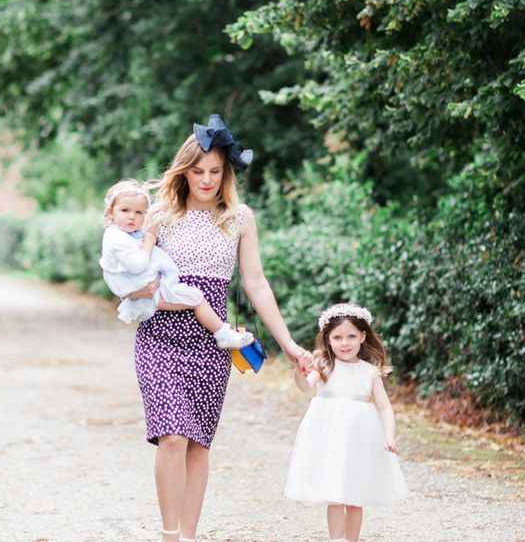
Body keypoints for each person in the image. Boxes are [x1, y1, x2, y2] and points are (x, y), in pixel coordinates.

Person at [129, 114, 309, 542]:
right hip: (159, 336)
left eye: (215, 171)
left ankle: (189, 536)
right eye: (197, 171)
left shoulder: (240, 218)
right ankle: (170, 535)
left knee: (196, 444)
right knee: (171, 436)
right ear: (183, 171)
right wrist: (151, 291)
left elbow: (256, 283)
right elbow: (134, 277)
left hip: (212, 343)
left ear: (226, 173)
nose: (206, 180)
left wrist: (288, 344)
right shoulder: (158, 216)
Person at [285, 303, 408, 542]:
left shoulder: (369, 371)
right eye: (338, 337)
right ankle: (336, 539)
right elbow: (304, 387)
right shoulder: (324, 365)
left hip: (359, 437)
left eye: (351, 336)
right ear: (328, 339)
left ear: (363, 336)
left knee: (355, 494)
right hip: (329, 436)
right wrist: (298, 371)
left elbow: (384, 407)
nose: (345, 343)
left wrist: (389, 436)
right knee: (334, 492)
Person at [100, 178, 254, 349]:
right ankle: (223, 334)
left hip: (147, 289)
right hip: (147, 293)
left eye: (138, 212)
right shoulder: (116, 238)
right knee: (196, 299)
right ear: (111, 211)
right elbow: (137, 265)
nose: (132, 217)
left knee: (194, 299)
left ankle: (222, 334)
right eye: (125, 210)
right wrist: (149, 242)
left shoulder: (127, 232)